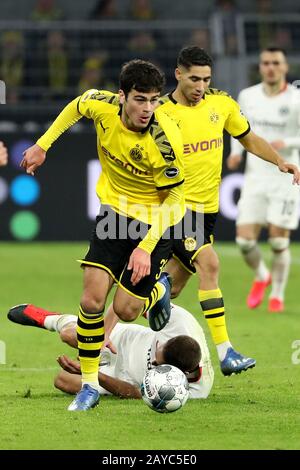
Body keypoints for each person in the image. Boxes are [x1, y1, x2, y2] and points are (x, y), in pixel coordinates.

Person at [20, 59, 185, 411]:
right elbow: (75, 106)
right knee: (92, 302)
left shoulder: (165, 139)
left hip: (154, 225)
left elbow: (175, 200)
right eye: (141, 99)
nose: (148, 109)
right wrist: (43, 145)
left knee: (125, 312)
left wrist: (145, 248)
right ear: (122, 95)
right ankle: (90, 386)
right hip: (113, 217)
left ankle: (158, 285)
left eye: (155, 100)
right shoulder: (102, 104)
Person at [157, 46, 300, 375]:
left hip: (207, 210)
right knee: (210, 262)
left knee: (173, 286)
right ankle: (226, 353)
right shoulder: (161, 112)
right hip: (176, 207)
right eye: (194, 79)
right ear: (178, 74)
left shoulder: (221, 104)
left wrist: (280, 161)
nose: (200, 87)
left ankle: (123, 320)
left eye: (206, 80)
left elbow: (248, 138)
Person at [7, 302, 214, 400]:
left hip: (124, 378)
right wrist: (105, 334)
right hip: (122, 340)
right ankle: (53, 319)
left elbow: (137, 393)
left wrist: (92, 374)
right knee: (71, 336)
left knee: (62, 380)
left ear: (176, 374)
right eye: (158, 345)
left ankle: (92, 367)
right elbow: (129, 302)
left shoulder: (192, 392)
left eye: (157, 364)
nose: (155, 354)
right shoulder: (177, 321)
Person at [227, 47, 300, 313]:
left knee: (279, 241)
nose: (270, 67)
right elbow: (240, 130)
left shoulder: (296, 99)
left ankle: (277, 295)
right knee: (244, 241)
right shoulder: (248, 96)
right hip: (255, 177)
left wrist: (287, 142)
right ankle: (261, 275)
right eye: (265, 62)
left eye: (275, 63)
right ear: (260, 67)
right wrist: (235, 153)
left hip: (286, 177)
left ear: (284, 67)